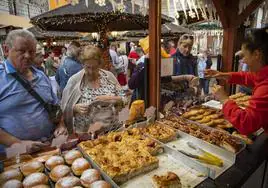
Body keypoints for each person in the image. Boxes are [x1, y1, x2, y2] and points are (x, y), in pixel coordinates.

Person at [0, 29, 67, 155]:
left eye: (31, 51)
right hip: (14, 154)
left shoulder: (41, 76)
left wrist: (61, 125)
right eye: (21, 51)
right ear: (6, 50)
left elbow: (55, 107)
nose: (27, 56)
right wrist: (19, 144)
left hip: (48, 147)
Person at [206, 27, 268, 135]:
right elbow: (250, 77)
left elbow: (246, 123)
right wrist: (224, 75)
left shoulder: (265, 88)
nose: (243, 61)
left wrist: (224, 99)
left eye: (244, 55)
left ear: (257, 54)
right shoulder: (263, 74)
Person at [61, 45, 126, 136]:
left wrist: (112, 99)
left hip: (112, 133)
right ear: (82, 64)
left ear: (100, 64)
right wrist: (74, 108)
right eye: (88, 67)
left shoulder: (109, 77)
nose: (91, 71)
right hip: (85, 136)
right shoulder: (74, 81)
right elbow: (63, 108)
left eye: (94, 67)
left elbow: (124, 99)